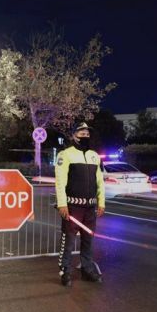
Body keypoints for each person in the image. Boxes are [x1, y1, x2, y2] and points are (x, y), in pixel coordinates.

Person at [55, 122, 105, 287]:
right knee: (68, 240)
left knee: (88, 241)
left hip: (90, 208)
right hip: (73, 207)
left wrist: (101, 202)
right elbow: (60, 181)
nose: (85, 136)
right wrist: (62, 204)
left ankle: (87, 269)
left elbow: (100, 182)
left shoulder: (94, 156)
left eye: (87, 133)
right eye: (81, 133)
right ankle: (65, 271)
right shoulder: (65, 154)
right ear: (73, 135)